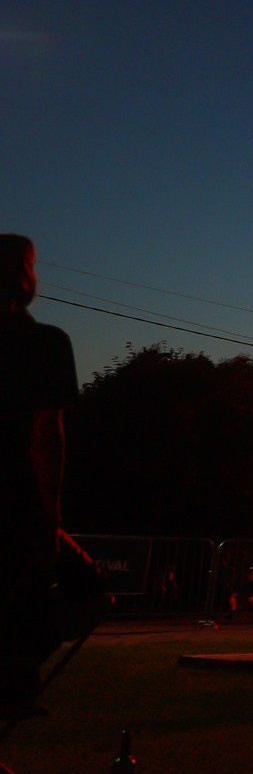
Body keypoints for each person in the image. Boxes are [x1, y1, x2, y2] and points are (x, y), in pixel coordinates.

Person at [0, 235, 77, 717]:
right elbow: (46, 436)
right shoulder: (44, 343)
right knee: (79, 589)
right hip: (15, 504)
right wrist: (50, 517)